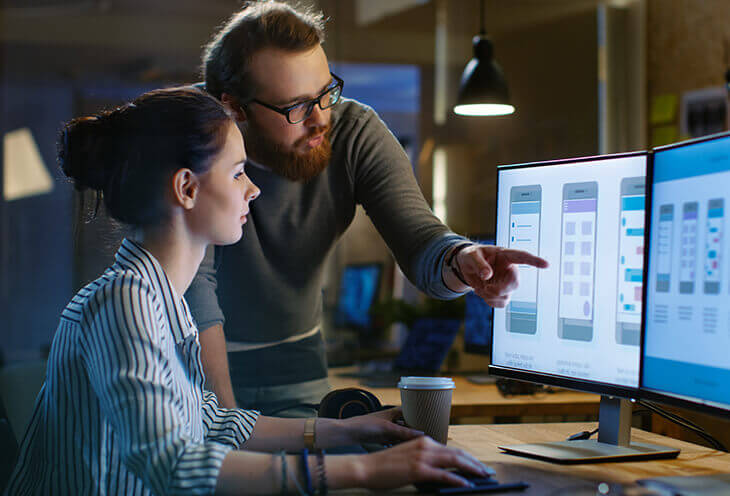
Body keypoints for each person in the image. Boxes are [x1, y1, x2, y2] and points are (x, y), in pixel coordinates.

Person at [5, 87, 492, 495]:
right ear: (188, 189)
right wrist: (365, 469)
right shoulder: (124, 303)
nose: (253, 190)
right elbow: (174, 464)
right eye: (238, 172)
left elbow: (214, 423)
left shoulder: (157, 297)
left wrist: (351, 430)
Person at [186, 1, 548, 414]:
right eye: (296, 107)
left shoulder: (355, 132)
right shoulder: (187, 132)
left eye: (325, 94)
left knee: (334, 470)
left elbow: (419, 237)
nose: (321, 119)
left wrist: (461, 258)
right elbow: (196, 290)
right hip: (191, 361)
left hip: (296, 362)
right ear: (234, 107)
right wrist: (228, 422)